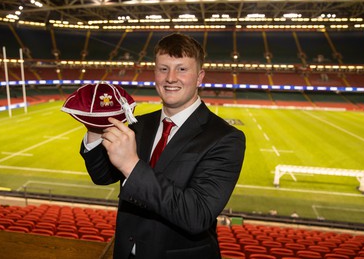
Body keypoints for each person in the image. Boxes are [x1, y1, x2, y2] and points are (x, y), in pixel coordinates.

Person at [80, 33, 246, 259]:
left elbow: (196, 215)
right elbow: (102, 176)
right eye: (163, 68)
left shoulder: (225, 138)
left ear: (199, 77)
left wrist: (131, 165)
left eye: (182, 69)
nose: (171, 78)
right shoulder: (139, 125)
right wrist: (94, 127)